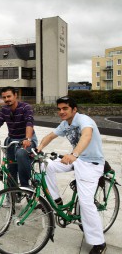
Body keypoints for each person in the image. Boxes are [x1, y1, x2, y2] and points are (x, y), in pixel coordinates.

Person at [37, 96, 106, 254]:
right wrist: (39, 148)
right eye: (59, 109)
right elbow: (50, 136)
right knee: (45, 165)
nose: (61, 112)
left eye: (65, 108)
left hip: (91, 163)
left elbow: (87, 135)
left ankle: (99, 243)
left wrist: (74, 154)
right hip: (77, 160)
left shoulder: (83, 120)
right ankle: (57, 199)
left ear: (74, 109)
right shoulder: (64, 124)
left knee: (86, 203)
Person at [0, 86, 37, 187]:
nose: (7, 99)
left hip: (26, 139)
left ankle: (26, 188)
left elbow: (29, 123)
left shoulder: (25, 107)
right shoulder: (4, 109)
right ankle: (12, 193)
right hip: (12, 140)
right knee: (11, 168)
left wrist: (27, 139)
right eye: (4, 97)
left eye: (9, 96)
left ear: (15, 95)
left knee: (21, 154)